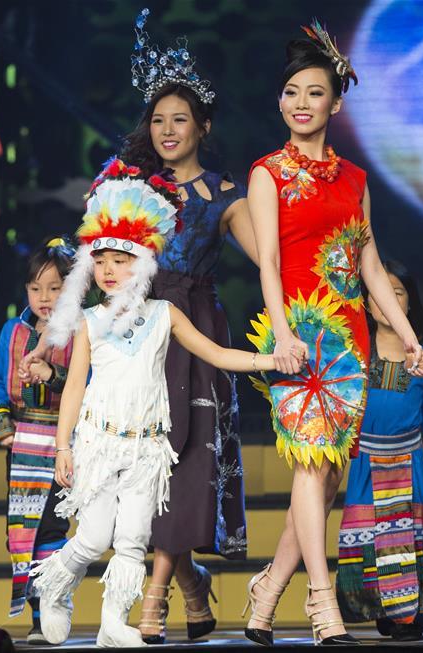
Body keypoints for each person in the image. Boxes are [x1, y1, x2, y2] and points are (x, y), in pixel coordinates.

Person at [26, 158, 289, 647]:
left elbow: (214, 353)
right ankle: (53, 585)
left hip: (149, 449)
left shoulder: (165, 314)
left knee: (130, 540)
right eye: (100, 259)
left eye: (121, 260)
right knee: (93, 537)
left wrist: (269, 361)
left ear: (144, 262)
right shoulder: (90, 322)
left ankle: (111, 624)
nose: (109, 269)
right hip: (101, 446)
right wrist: (64, 448)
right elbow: (75, 387)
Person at [244, 21, 423, 646]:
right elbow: (268, 260)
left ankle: (267, 590)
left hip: (352, 337)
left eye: (313, 92)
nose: (299, 103)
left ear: (336, 102)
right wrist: (284, 337)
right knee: (311, 466)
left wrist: (410, 337)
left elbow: (370, 264)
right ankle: (322, 605)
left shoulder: (355, 179)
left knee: (324, 475)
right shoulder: (267, 172)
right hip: (301, 334)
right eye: (290, 91)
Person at [121, 10, 259, 643]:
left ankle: (154, 597)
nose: (168, 130)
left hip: (195, 336)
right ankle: (192, 584)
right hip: (134, 333)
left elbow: (272, 263)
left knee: (186, 462)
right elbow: (90, 262)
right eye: (158, 119)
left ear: (203, 125)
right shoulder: (126, 185)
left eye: (180, 119)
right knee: (139, 466)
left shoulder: (226, 193)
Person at [336, 261, 423, 641]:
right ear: (366, 302)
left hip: (410, 464)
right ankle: (382, 610)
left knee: (411, 537)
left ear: (409, 304)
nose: (388, 300)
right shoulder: (352, 355)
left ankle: (408, 616)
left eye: (398, 292)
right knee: (370, 537)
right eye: (379, 293)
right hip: (364, 464)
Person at [0, 236, 75, 642]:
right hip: (22, 443)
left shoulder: (80, 332)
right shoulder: (13, 331)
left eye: (55, 288)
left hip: (61, 441)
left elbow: (88, 383)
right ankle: (38, 616)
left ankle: (54, 607)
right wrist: (2, 423)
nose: (45, 297)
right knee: (22, 529)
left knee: (52, 526)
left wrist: (53, 376)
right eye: (36, 288)